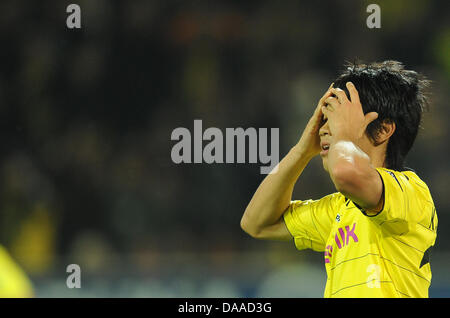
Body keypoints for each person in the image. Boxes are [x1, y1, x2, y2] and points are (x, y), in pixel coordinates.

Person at [240, 60, 437, 298]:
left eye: (338, 118)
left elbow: (346, 174)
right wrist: (302, 149)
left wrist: (342, 134)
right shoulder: (338, 210)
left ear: (384, 130)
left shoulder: (412, 193)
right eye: (324, 119)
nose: (324, 128)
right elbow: (256, 223)